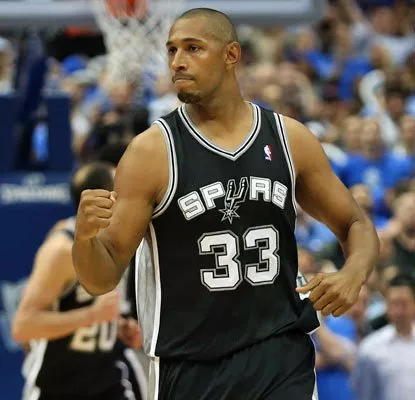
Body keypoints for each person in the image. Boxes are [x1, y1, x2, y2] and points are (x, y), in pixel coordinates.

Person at [72, 8, 379, 399]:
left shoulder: (289, 139)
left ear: (231, 55)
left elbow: (356, 224)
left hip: (281, 358)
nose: (177, 61)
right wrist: (85, 238)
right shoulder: (152, 152)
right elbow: (100, 278)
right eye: (171, 50)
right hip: (190, 367)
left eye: (193, 48)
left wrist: (353, 272)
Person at [12, 162, 147, 400]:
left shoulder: (116, 241)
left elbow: (98, 311)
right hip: (58, 386)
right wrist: (92, 316)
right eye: (120, 188)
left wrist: (118, 328)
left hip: (106, 381)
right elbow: (23, 326)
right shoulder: (61, 250)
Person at [352, 275, 415, 400]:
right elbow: (364, 393)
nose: (399, 311)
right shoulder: (370, 348)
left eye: (403, 304)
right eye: (394, 304)